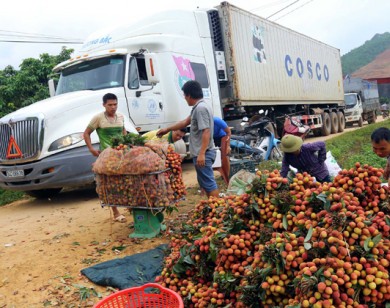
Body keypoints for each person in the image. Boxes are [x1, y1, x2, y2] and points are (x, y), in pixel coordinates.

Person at [156, 80, 219, 197]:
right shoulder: (199, 107)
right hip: (202, 153)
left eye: (185, 95)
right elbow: (185, 122)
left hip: (204, 153)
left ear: (189, 95)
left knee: (209, 184)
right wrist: (167, 129)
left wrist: (202, 153)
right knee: (205, 184)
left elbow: (206, 131)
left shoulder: (200, 109)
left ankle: (218, 209)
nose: (184, 99)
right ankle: (211, 209)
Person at [83, 93, 128, 223]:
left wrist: (127, 144)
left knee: (126, 182)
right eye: (110, 105)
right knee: (110, 185)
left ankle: (131, 207)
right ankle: (116, 212)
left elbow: (123, 132)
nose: (113, 107)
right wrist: (91, 149)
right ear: (104, 105)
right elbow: (86, 133)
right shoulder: (98, 118)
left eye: (115, 104)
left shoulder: (120, 117)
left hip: (121, 154)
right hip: (106, 156)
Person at [213, 116, 231, 184]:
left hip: (222, 136)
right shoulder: (203, 122)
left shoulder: (216, 120)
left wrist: (228, 146)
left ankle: (226, 175)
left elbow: (228, 132)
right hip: (211, 137)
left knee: (224, 155)